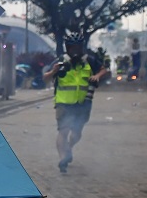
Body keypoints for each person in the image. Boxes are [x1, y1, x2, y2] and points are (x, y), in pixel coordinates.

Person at [43, 34, 108, 173]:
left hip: (83, 103)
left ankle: (68, 148)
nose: (75, 51)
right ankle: (63, 158)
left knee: (76, 133)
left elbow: (104, 70)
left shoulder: (89, 61)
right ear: (68, 48)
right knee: (63, 131)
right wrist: (53, 71)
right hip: (63, 103)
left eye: (77, 48)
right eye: (72, 48)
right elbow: (45, 78)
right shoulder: (60, 62)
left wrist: (97, 76)